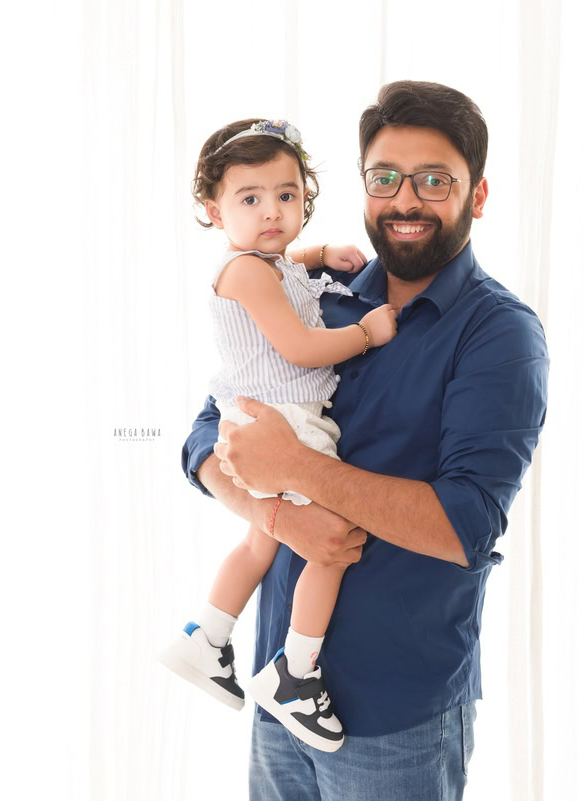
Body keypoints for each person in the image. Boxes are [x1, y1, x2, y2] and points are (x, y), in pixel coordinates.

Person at [182, 81, 549, 801]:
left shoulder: (500, 335)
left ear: (476, 196)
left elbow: (464, 524)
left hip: (396, 717)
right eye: (385, 178)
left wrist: (295, 469)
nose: (405, 200)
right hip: (278, 690)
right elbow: (207, 431)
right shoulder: (322, 287)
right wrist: (275, 513)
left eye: (434, 180)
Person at [158, 117, 399, 754]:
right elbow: (299, 347)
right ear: (214, 210)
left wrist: (318, 256)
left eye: (287, 196)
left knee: (261, 540)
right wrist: (365, 335)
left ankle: (207, 637)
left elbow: (286, 263)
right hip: (283, 422)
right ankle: (296, 671)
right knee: (331, 545)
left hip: (262, 415)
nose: (272, 212)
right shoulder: (243, 273)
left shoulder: (265, 263)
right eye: (251, 198)